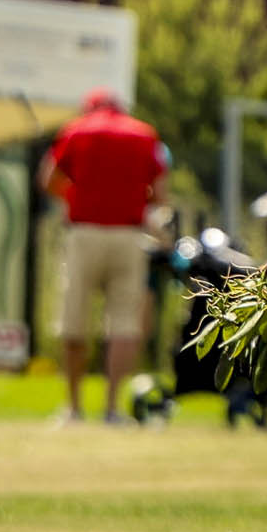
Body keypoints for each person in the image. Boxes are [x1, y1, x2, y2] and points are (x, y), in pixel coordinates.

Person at [42, 86, 169, 423]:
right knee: (124, 323)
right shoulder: (144, 135)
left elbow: (49, 179)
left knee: (74, 318)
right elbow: (159, 194)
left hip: (83, 234)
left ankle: (74, 407)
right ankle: (112, 408)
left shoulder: (75, 130)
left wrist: (77, 195)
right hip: (129, 236)